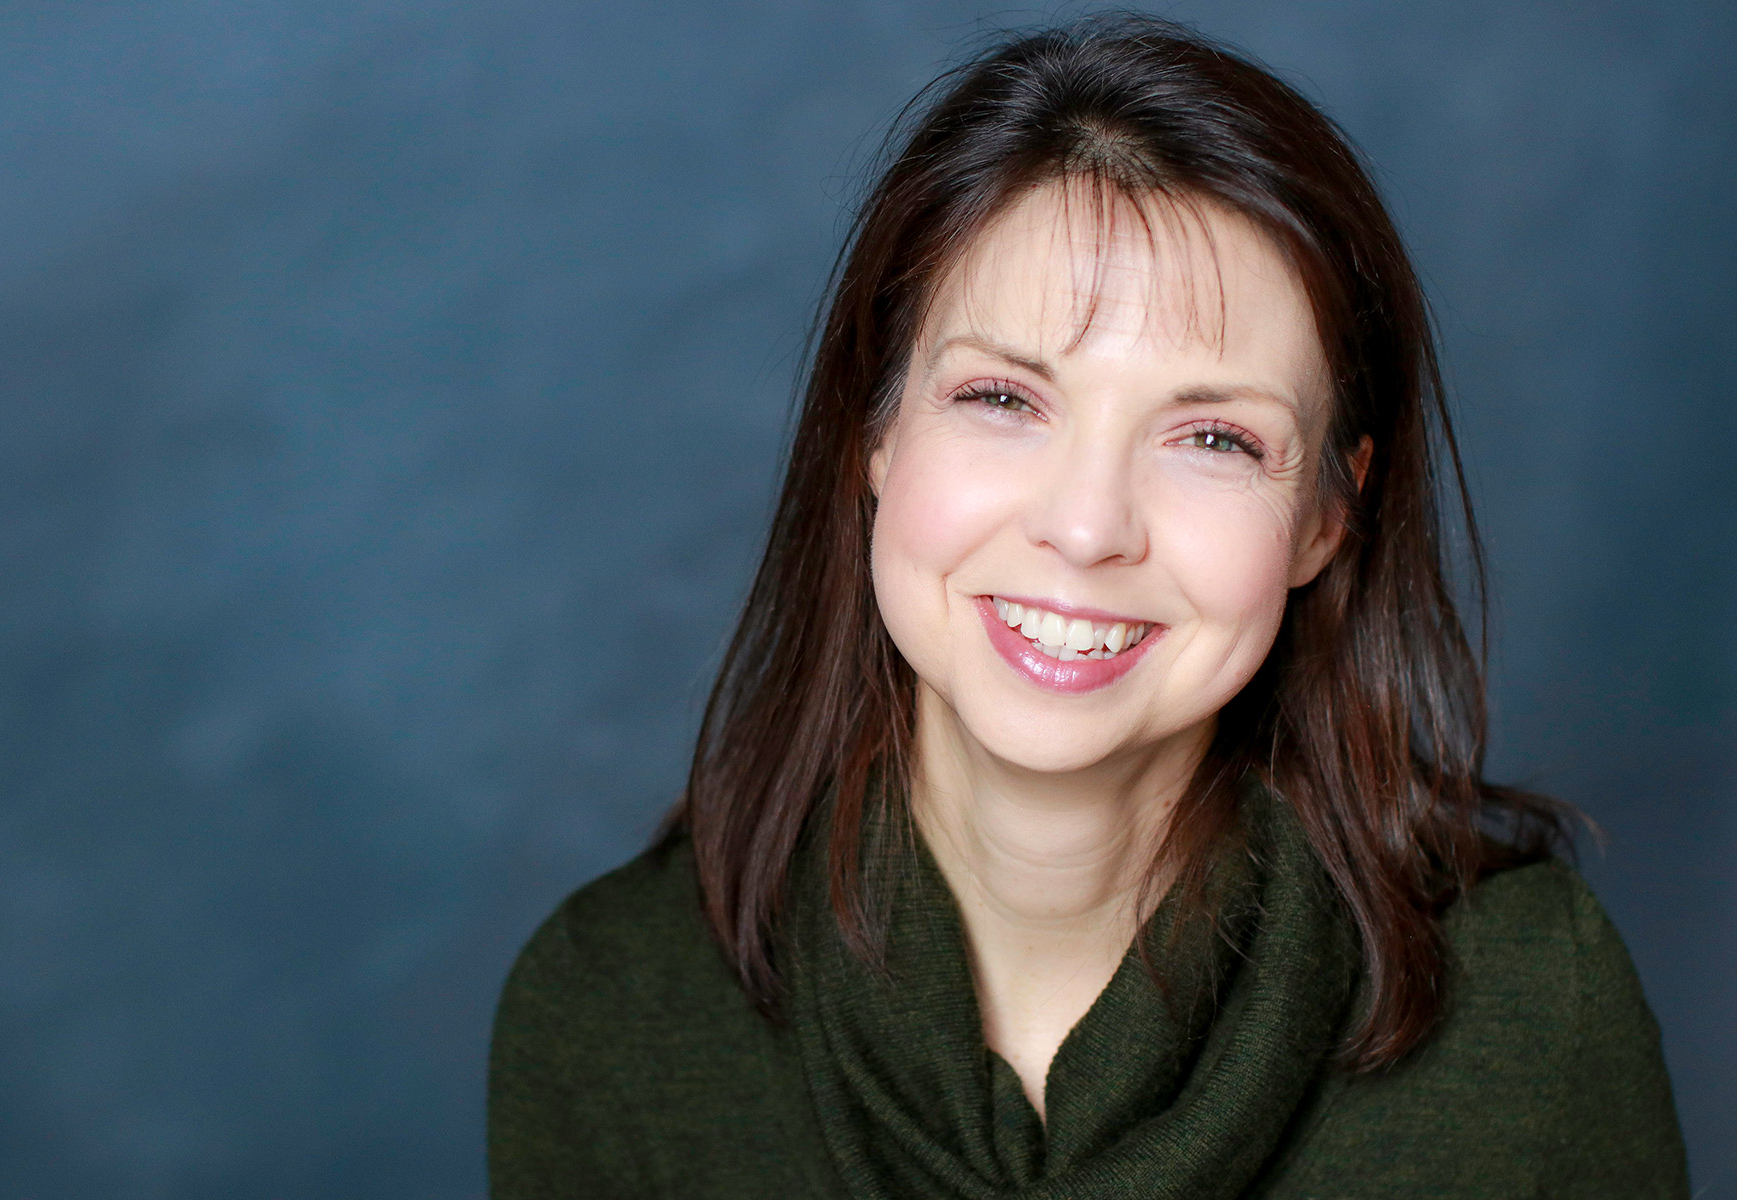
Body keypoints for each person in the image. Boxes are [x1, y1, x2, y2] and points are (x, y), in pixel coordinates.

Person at [487, 15, 1689, 1198]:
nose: (1088, 525)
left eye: (1214, 437)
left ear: (1329, 516)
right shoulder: (611, 1011)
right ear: (875, 431)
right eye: (1005, 400)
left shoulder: (1533, 1013)